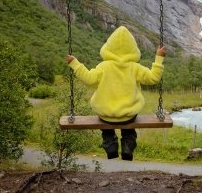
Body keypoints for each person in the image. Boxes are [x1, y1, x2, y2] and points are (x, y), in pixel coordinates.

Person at [67, 26, 166, 161]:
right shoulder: (135, 68)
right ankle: (127, 147)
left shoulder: (104, 67)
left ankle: (110, 145)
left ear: (108, 47)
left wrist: (75, 64)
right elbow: (154, 77)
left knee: (107, 129)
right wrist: (159, 58)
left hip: (105, 115)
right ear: (133, 49)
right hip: (129, 116)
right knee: (129, 131)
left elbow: (88, 79)